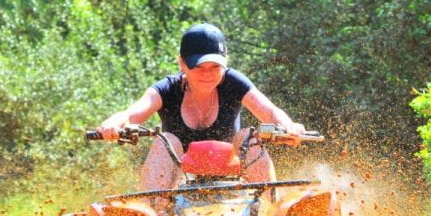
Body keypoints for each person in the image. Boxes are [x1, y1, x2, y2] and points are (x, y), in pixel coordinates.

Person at [97, 23, 305, 191]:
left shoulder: (234, 82)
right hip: (179, 178)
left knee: (248, 137)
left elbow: (269, 111)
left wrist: (289, 126)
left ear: (225, 62)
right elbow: (131, 114)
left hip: (232, 173)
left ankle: (270, 214)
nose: (207, 74)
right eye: (198, 66)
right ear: (182, 64)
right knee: (165, 140)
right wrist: (112, 124)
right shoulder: (167, 89)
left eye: (215, 66)